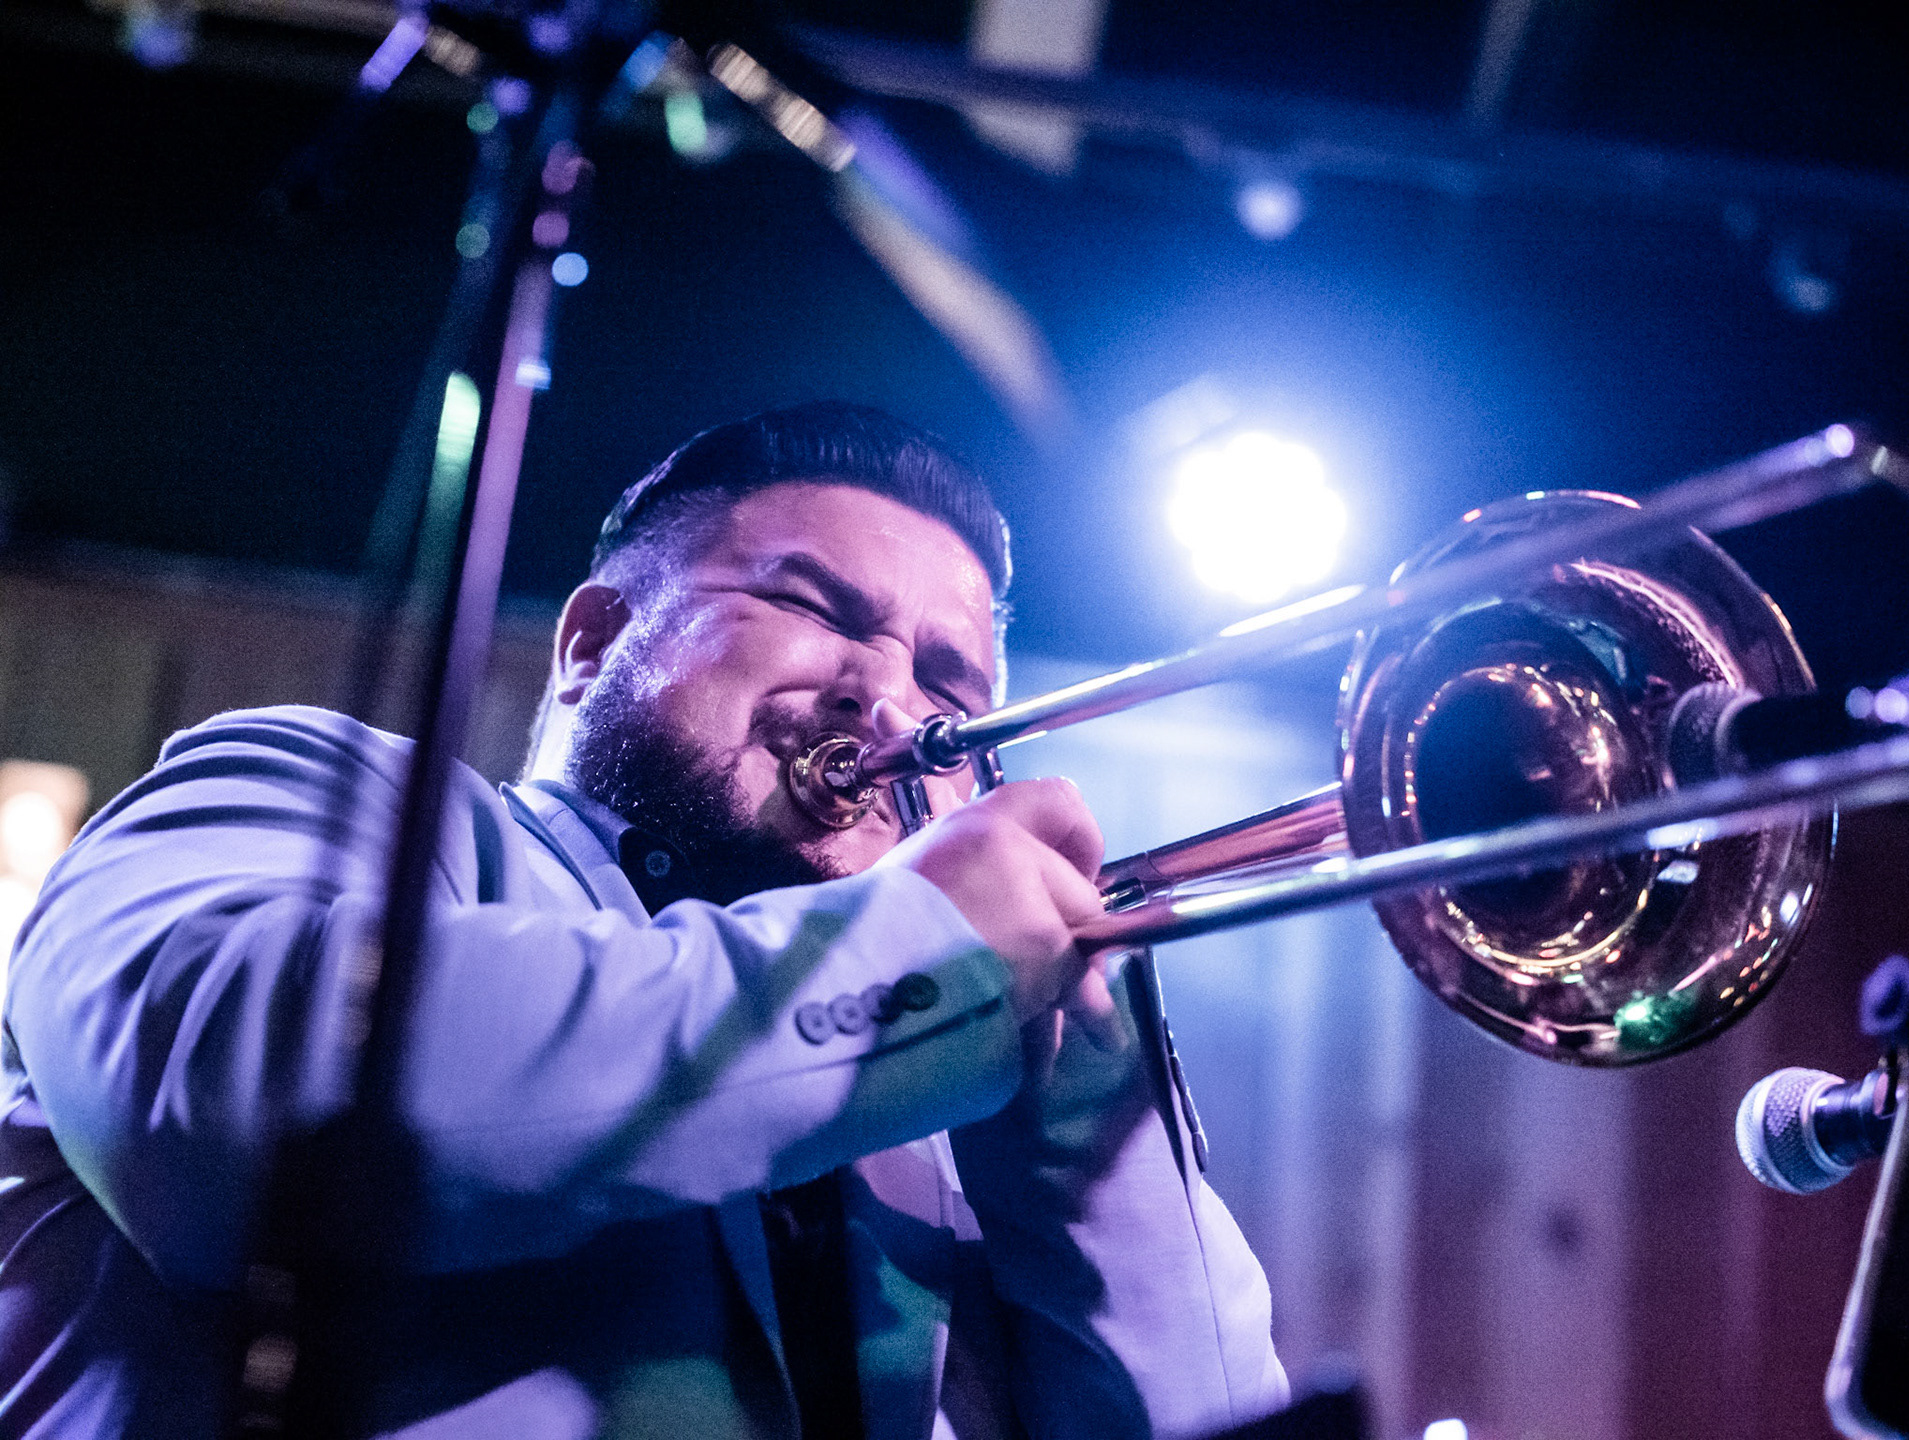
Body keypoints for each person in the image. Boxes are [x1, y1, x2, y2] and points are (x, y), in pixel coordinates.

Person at [0, 403, 1287, 1437]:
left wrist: (1085, 1143)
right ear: (590, 643)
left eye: (949, 680)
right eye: (816, 610)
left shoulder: (939, 1107)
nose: (893, 707)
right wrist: (923, 966)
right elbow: (236, 1116)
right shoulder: (339, 799)